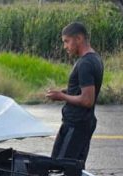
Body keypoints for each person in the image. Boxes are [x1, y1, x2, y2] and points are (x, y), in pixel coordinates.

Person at [46, 22, 103, 165]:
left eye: (67, 41)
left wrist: (62, 96)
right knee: (73, 170)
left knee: (61, 170)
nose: (65, 46)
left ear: (78, 38)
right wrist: (65, 92)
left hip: (76, 124)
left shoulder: (85, 63)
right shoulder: (95, 58)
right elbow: (84, 90)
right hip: (81, 122)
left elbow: (87, 100)